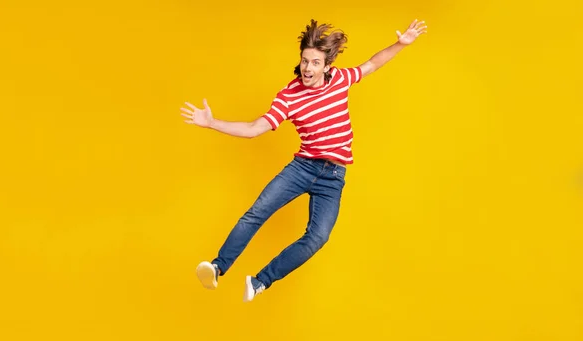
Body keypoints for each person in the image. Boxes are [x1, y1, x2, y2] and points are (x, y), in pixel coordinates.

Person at [181, 19, 427, 302]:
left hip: (333, 177)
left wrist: (401, 44)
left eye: (315, 63)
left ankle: (261, 281)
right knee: (256, 213)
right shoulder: (288, 96)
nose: (308, 68)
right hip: (302, 168)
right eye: (304, 61)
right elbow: (254, 129)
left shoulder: (340, 80)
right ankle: (217, 267)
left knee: (318, 238)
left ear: (326, 66)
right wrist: (212, 123)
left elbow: (372, 64)